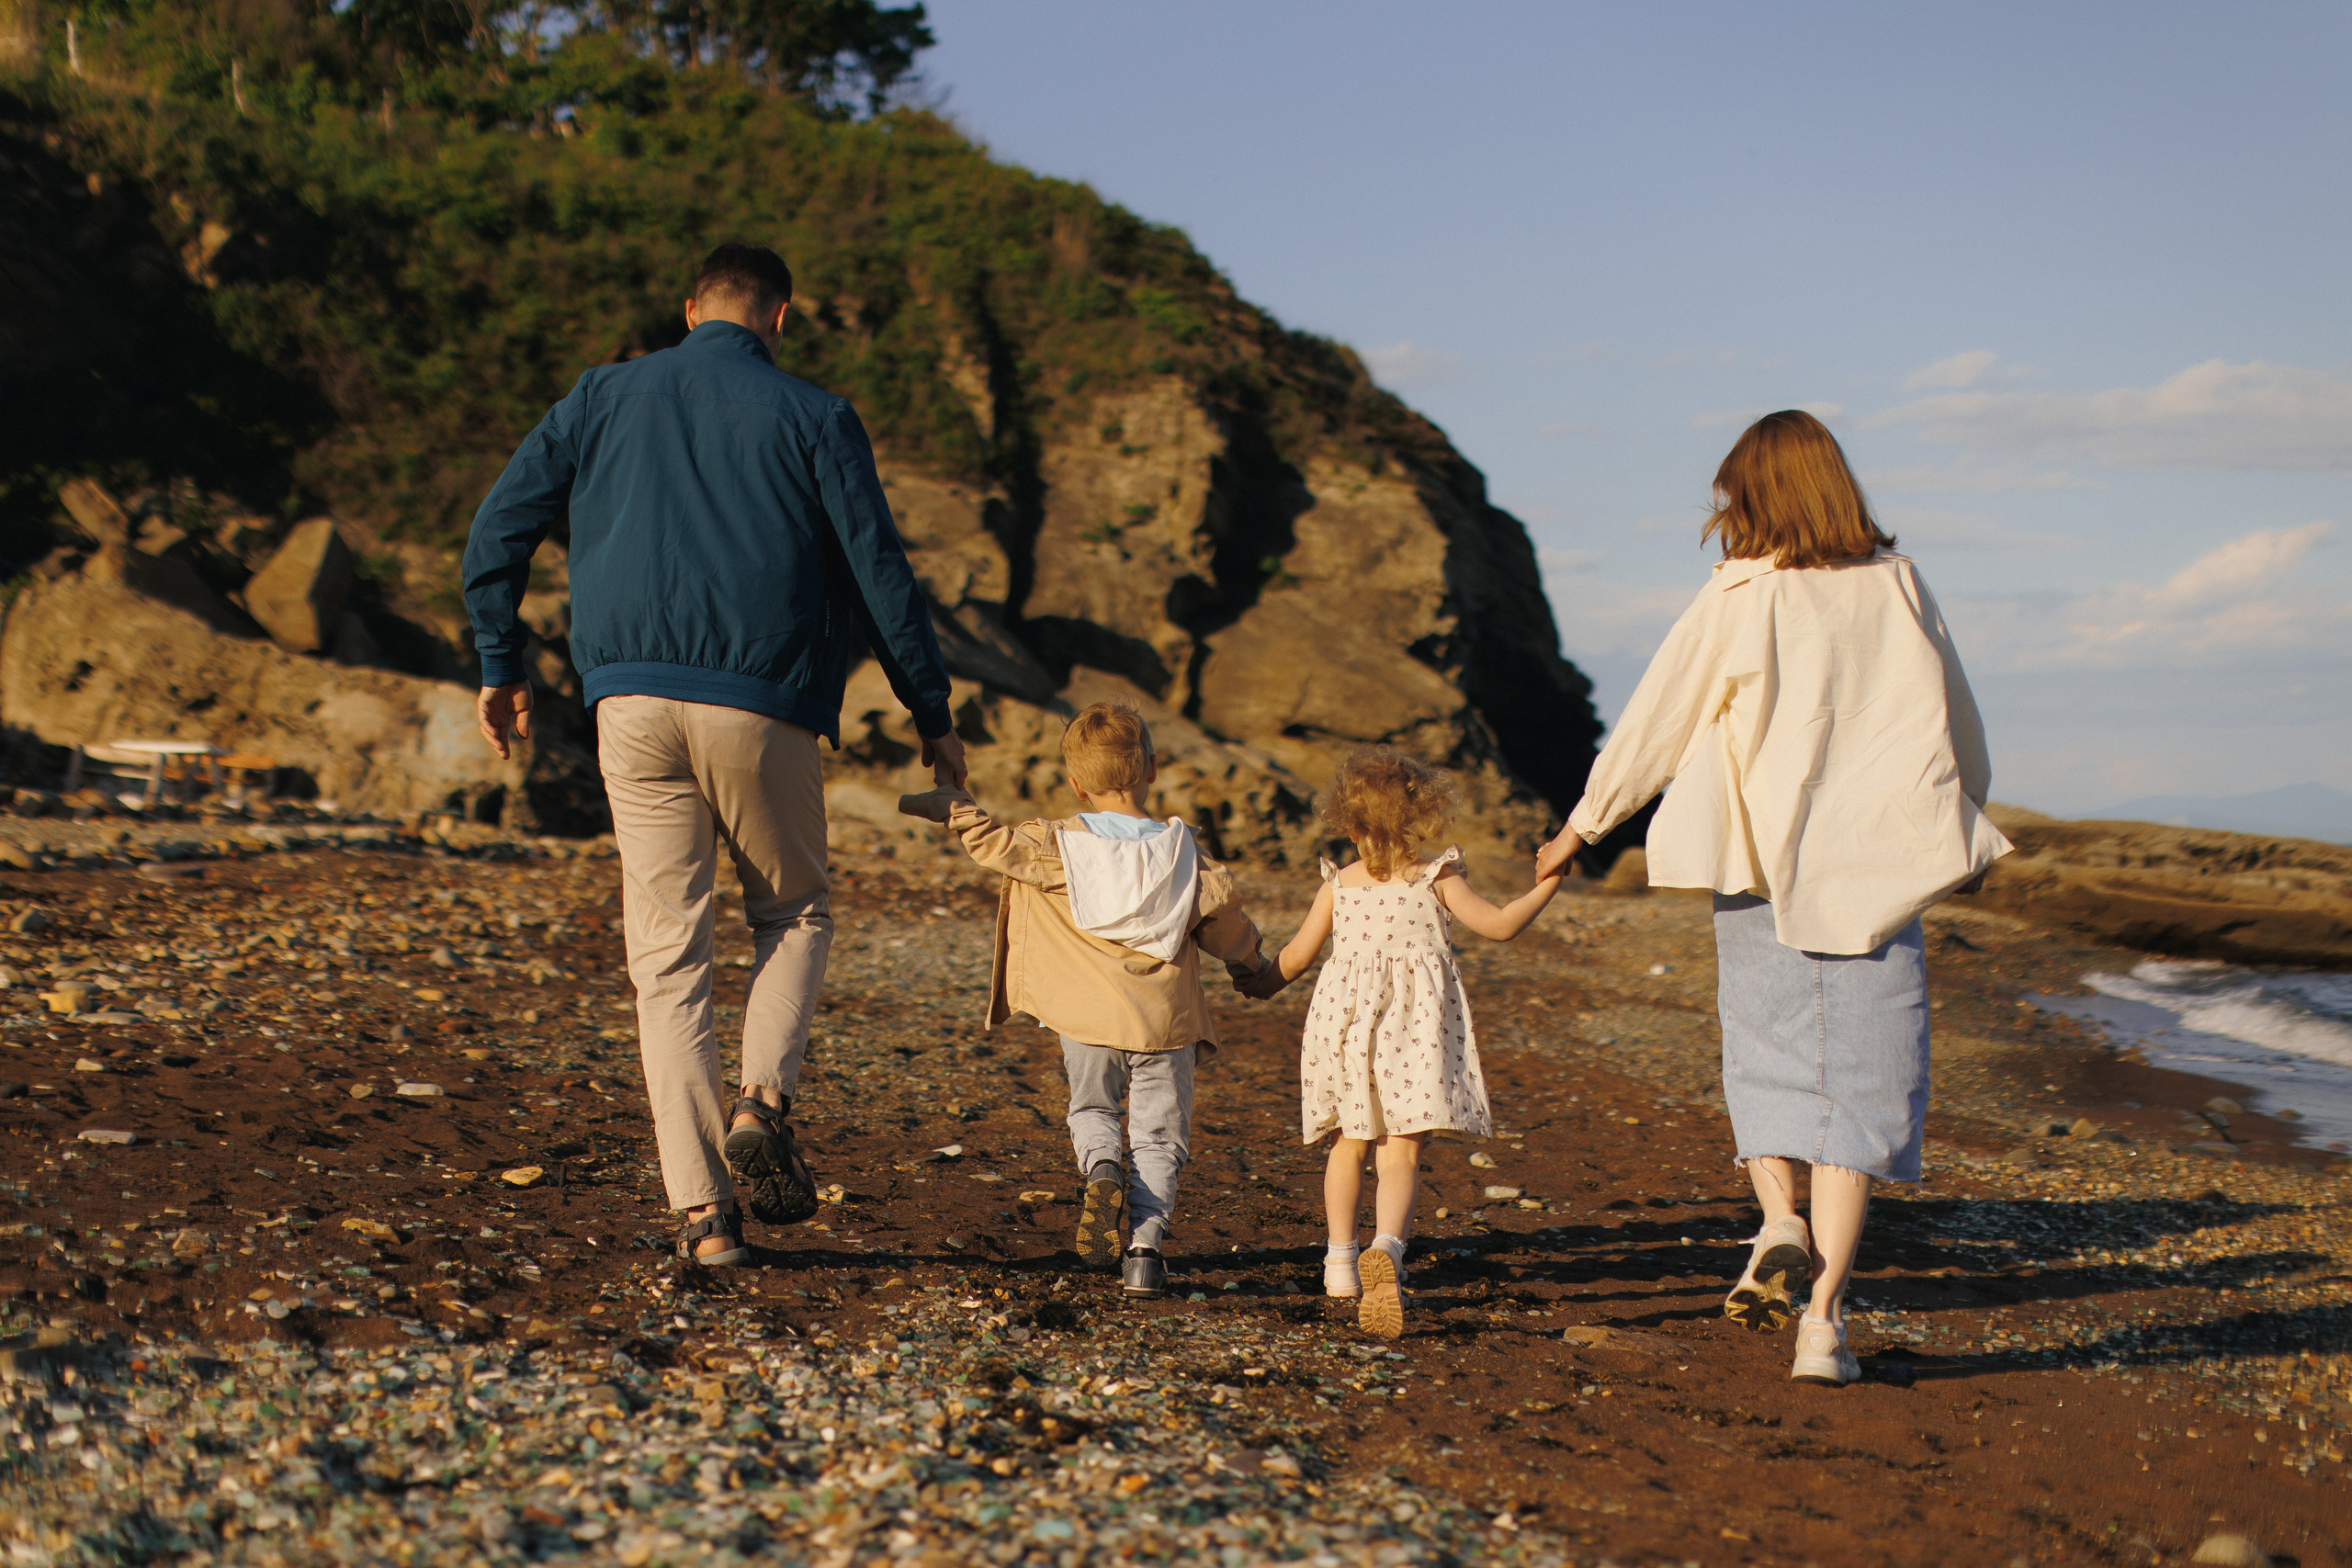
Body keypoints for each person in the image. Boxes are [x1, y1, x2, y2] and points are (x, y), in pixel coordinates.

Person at [463, 242, 967, 1267]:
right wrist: (930, 708)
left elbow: (498, 529)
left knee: (667, 962)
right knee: (796, 909)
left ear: (690, 307)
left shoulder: (602, 394)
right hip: (762, 703)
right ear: (780, 318)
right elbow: (879, 573)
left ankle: (702, 1220)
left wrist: (500, 660)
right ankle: (761, 1102)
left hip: (628, 705)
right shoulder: (815, 415)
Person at [1535, 410, 2008, 1385]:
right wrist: (1964, 815)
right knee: (1859, 1098)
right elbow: (1957, 720)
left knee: (1767, 1062)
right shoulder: (1900, 586)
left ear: (1750, 497)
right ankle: (1824, 1328)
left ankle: (1777, 1222)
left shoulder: (1739, 594)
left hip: (1757, 863)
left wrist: (1584, 824)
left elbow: (1656, 718)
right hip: (1878, 863)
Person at [897, 702, 1277, 1299]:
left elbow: (994, 844)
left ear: (1076, 782)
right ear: (1151, 768)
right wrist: (1255, 967)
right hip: (1165, 1025)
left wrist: (954, 806)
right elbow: (1227, 929)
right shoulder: (1185, 856)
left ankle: (1102, 1168)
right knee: (1159, 1137)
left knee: (1093, 1110)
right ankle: (1144, 1253)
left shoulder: (1058, 846)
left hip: (1088, 1022)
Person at [1259, 747, 1563, 1340]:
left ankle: (1340, 1263)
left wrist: (1252, 978)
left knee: (1348, 1142)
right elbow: (1501, 925)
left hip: (1344, 1029)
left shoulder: (1339, 885)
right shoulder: (1435, 877)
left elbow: (1293, 959)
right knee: (1400, 1150)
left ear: (1348, 823)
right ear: (1420, 817)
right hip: (1413, 1031)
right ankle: (1389, 1251)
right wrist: (1549, 881)